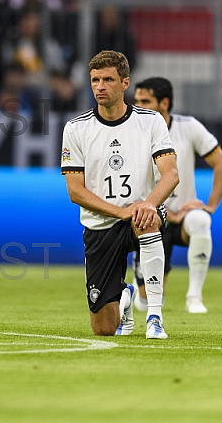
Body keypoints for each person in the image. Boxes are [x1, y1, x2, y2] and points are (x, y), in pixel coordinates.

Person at [61, 51, 178, 339]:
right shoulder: (76, 129)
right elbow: (76, 192)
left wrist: (148, 204)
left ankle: (154, 315)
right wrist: (120, 211)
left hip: (138, 215)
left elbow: (171, 174)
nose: (100, 86)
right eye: (95, 80)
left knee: (147, 219)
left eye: (108, 79)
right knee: (104, 329)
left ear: (125, 83)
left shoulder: (150, 122)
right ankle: (123, 297)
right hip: (100, 226)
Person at [132, 78, 222, 314]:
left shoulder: (189, 126)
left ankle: (194, 297)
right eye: (136, 101)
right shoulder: (130, 131)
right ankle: (134, 291)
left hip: (183, 218)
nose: (138, 107)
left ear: (164, 103)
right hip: (149, 219)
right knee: (146, 303)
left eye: (145, 101)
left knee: (201, 220)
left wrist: (210, 206)